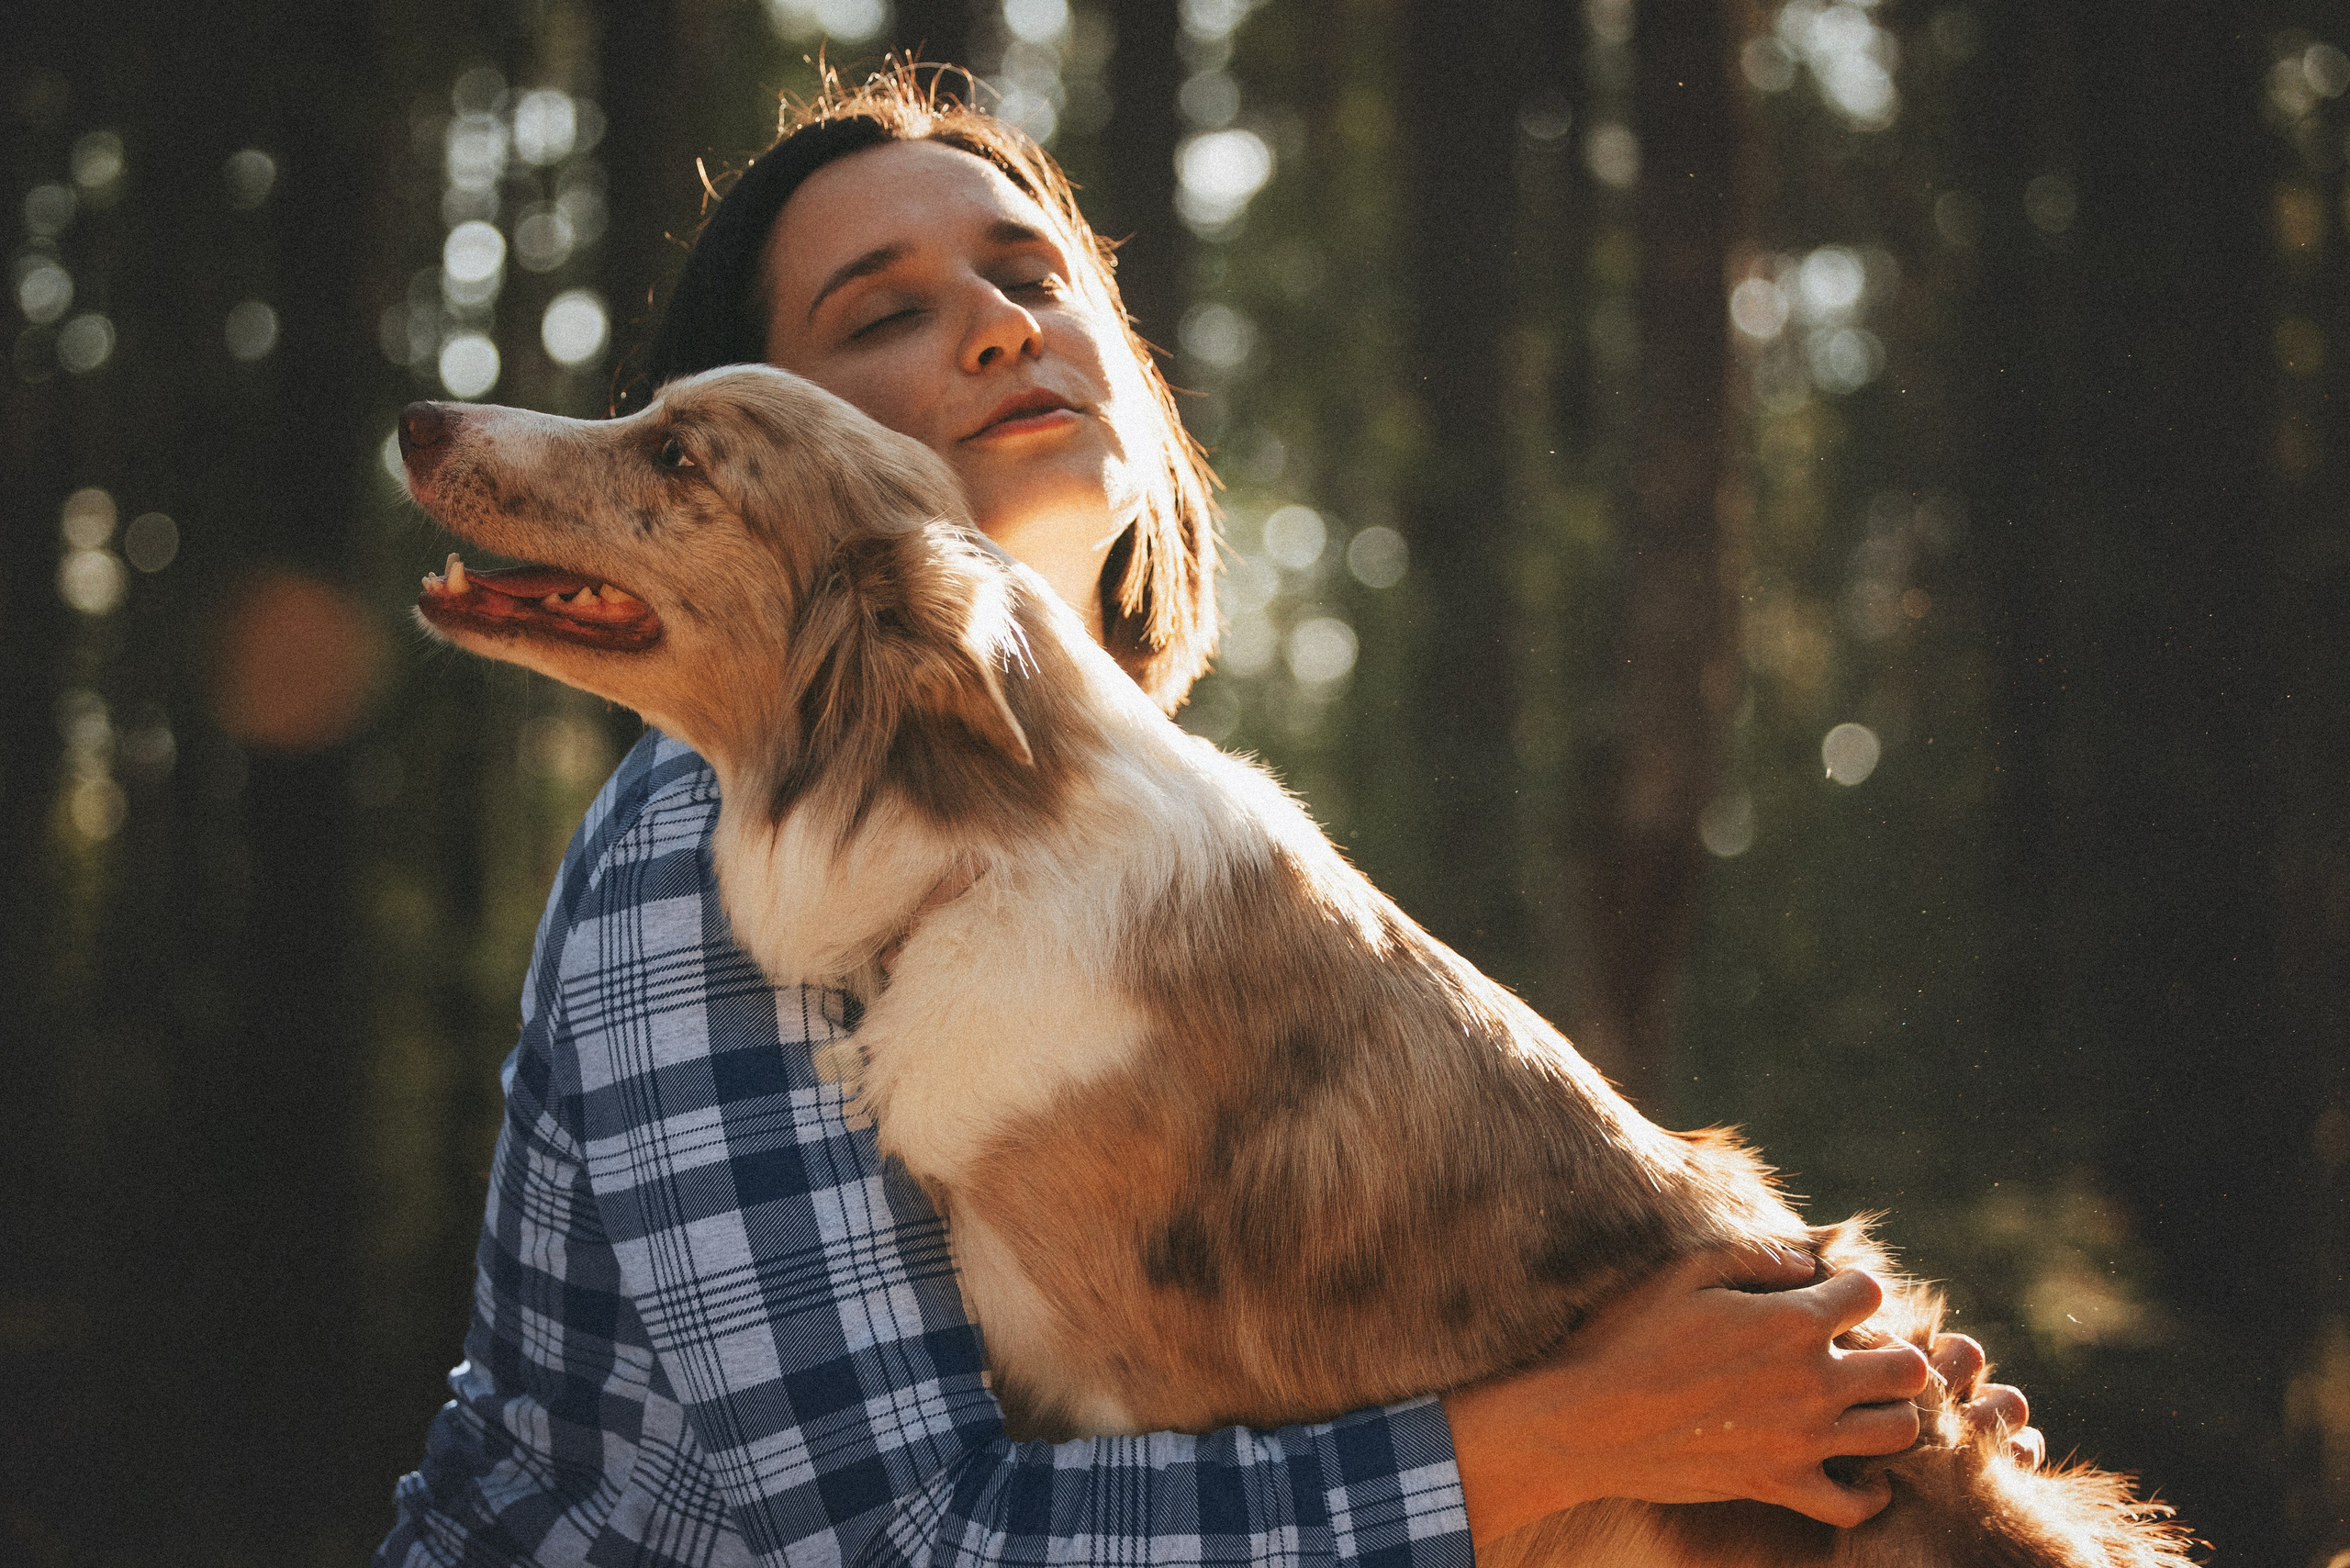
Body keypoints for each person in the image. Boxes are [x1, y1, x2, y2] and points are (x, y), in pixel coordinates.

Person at [377, 64, 2038, 1568]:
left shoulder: (1154, 869)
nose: (997, 326)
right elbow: (898, 1546)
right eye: (880, 314)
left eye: (1034, 280)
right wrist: (1584, 1432)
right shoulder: (738, 818)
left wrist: (1865, 1446)